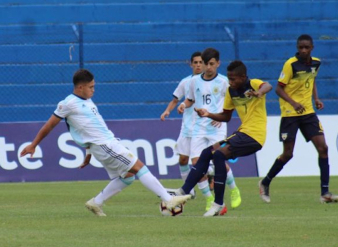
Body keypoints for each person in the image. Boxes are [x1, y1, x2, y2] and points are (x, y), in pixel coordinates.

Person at [20, 69, 191, 216]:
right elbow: (49, 125)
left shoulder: (87, 101)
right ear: (80, 87)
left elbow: (86, 129)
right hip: (104, 145)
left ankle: (96, 202)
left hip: (105, 144)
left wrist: (88, 153)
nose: (94, 90)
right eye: (91, 87)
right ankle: (168, 199)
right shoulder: (68, 104)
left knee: (128, 176)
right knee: (138, 167)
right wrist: (33, 145)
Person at [174, 60, 272, 216]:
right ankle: (183, 191)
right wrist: (209, 114)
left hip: (255, 136)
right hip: (243, 133)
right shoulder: (231, 92)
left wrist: (259, 93)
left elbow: (268, 86)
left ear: (243, 77)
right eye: (229, 78)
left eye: (234, 79)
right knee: (207, 153)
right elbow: (226, 116)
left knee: (219, 155)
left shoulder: (253, 84)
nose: (231, 82)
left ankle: (218, 203)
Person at [259, 34, 338, 204]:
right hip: (290, 114)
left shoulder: (316, 63)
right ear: (297, 48)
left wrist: (316, 99)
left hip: (308, 113)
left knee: (323, 148)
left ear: (312, 48)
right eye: (300, 47)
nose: (303, 50)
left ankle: (325, 193)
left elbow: (311, 81)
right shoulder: (291, 64)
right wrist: (294, 103)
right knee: (288, 153)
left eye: (306, 47)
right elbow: (278, 89)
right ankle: (265, 182)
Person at [177, 48, 242, 211]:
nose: (208, 67)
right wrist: (184, 104)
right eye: (206, 64)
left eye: (212, 64)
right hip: (198, 128)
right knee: (196, 164)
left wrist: (222, 116)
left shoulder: (224, 82)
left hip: (216, 127)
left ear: (218, 63)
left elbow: (233, 101)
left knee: (219, 160)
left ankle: (234, 190)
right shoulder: (194, 82)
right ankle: (209, 199)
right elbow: (191, 99)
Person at [160, 51, 203, 198]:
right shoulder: (186, 82)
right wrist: (167, 111)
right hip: (187, 128)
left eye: (200, 62)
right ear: (191, 64)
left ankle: (211, 184)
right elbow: (175, 99)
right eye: (195, 62)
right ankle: (189, 190)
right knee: (183, 159)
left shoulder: (212, 82)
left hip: (204, 128)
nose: (198, 65)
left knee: (198, 160)